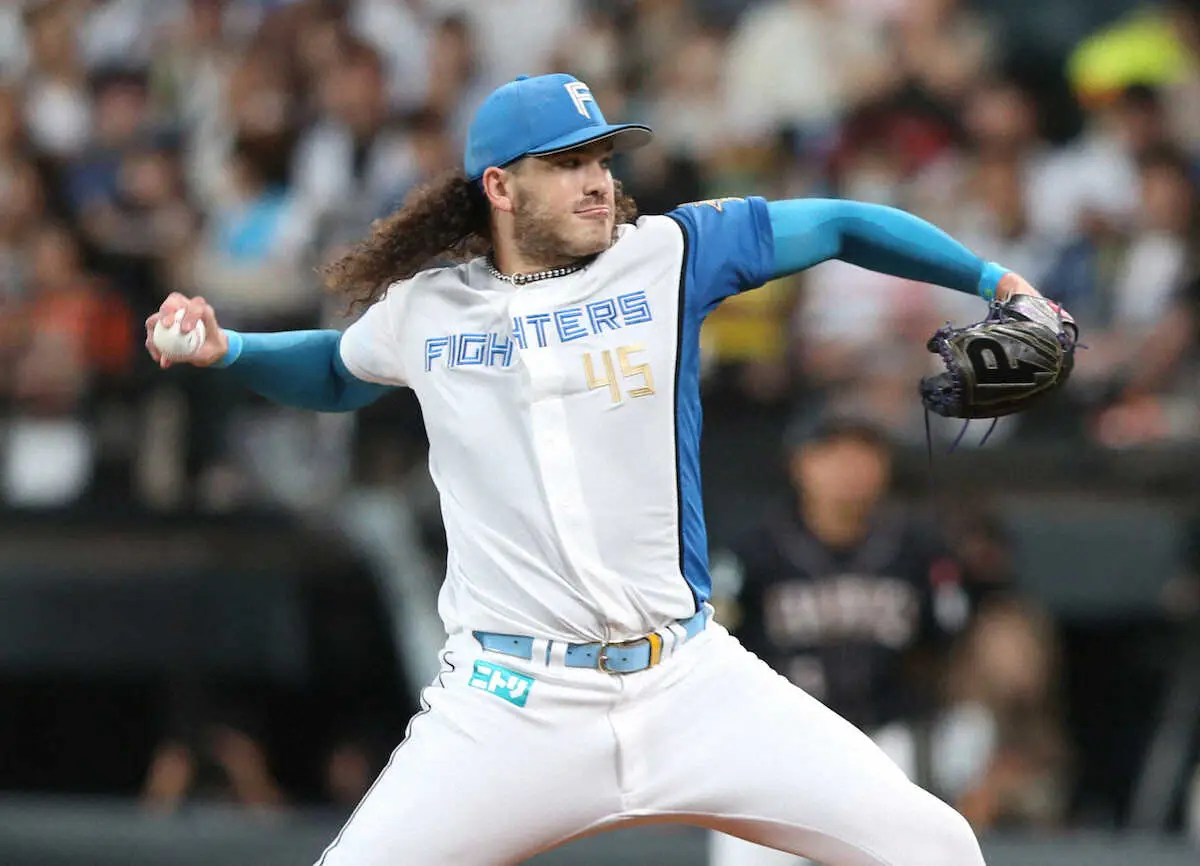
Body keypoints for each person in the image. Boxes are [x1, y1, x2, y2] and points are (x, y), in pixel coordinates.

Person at [145, 73, 1055, 866]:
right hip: (511, 705)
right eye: (568, 163)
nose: (597, 181)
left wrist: (998, 284)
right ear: (499, 186)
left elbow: (843, 222)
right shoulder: (428, 309)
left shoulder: (668, 255)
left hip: (688, 680)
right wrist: (233, 350)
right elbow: (338, 371)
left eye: (603, 159)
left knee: (935, 846)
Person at [708, 417, 972, 866]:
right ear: (800, 464)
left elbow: (950, 644)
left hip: (885, 740)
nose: (849, 467)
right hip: (776, 745)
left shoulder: (919, 549)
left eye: (863, 453)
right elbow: (715, 643)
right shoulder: (752, 550)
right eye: (831, 453)